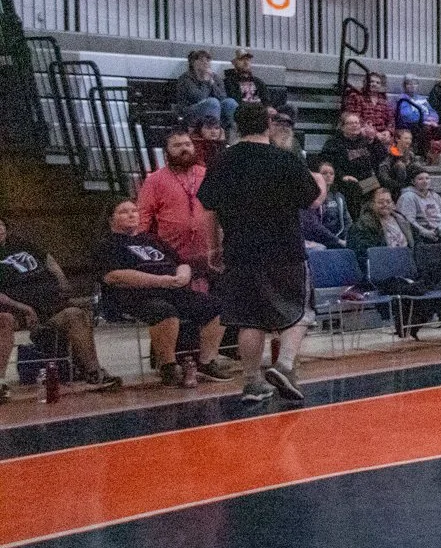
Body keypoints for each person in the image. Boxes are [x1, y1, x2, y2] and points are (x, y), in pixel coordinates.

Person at [198, 101, 322, 405]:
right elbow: (312, 200)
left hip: (239, 251)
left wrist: (213, 246)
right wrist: (319, 181)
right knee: (301, 312)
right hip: (284, 250)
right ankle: (284, 365)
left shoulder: (222, 162)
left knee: (249, 320)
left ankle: (252, 382)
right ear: (267, 125)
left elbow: (208, 209)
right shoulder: (284, 159)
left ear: (236, 126)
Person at [96, 199, 233, 387]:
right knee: (165, 311)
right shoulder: (108, 245)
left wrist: (183, 275)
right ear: (111, 219)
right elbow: (114, 276)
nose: (131, 215)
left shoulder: (151, 239)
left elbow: (181, 262)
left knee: (216, 306)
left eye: (134, 211)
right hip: (136, 295)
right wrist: (160, 280)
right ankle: (168, 366)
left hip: (172, 289)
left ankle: (207, 361)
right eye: (124, 212)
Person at [0, 215, 121, 392]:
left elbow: (48, 259)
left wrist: (63, 283)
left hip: (49, 304)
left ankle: (94, 373)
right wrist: (24, 308)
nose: (0, 229)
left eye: (1, 225)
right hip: (14, 309)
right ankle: (0, 382)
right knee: (4, 320)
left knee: (75, 314)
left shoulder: (19, 244)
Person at [135, 128, 217, 289]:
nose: (184, 149)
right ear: (166, 152)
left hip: (208, 252)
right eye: (177, 146)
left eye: (187, 144)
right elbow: (143, 216)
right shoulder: (155, 181)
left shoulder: (207, 174)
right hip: (174, 256)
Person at [321, 111, 383, 214]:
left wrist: (373, 139)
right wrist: (342, 176)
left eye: (357, 123)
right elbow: (328, 164)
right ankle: (355, 219)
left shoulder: (365, 140)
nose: (354, 125)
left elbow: (381, 156)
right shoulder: (333, 143)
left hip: (366, 181)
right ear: (342, 127)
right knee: (353, 188)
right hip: (345, 181)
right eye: (350, 123)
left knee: (383, 182)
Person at [397, 169, 441, 244]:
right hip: (423, 235)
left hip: (440, 231)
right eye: (420, 179)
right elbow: (408, 221)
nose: (425, 181)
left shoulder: (435, 196)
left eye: (427, 178)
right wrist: (424, 232)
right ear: (413, 182)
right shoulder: (408, 197)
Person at [172, 48, 234, 128]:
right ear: (193, 63)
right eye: (201, 60)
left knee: (230, 102)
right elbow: (200, 98)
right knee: (212, 102)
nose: (205, 63)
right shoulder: (186, 78)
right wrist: (205, 81)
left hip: (214, 110)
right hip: (189, 111)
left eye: (208, 60)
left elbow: (222, 97)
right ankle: (213, 131)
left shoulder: (215, 77)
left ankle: (235, 132)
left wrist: (212, 83)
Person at [223, 49, 289, 120]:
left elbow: (266, 100)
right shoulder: (229, 82)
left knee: (288, 108)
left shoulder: (258, 82)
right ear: (234, 63)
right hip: (243, 112)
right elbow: (234, 102)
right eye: (241, 60)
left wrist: (269, 108)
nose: (246, 62)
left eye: (248, 60)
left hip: (261, 111)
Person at [301, 162, 350, 250]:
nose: (328, 175)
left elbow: (347, 221)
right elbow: (314, 225)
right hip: (318, 242)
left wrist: (347, 238)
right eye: (324, 173)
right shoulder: (311, 198)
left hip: (339, 240)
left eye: (331, 173)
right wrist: (337, 240)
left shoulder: (339, 197)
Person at [376, 128, 427, 195]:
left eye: (410, 139)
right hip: (394, 185)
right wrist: (396, 185)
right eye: (406, 138)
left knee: (416, 165)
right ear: (397, 139)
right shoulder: (389, 153)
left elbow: (417, 168)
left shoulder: (410, 154)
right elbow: (384, 173)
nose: (409, 141)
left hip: (408, 184)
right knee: (400, 165)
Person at [344, 71, 393, 139]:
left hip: (382, 135)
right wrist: (375, 133)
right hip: (362, 134)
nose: (374, 84)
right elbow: (353, 119)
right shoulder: (356, 97)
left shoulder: (384, 99)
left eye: (378, 83)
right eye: (372, 81)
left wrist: (388, 132)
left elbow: (391, 119)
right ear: (365, 83)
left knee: (395, 143)